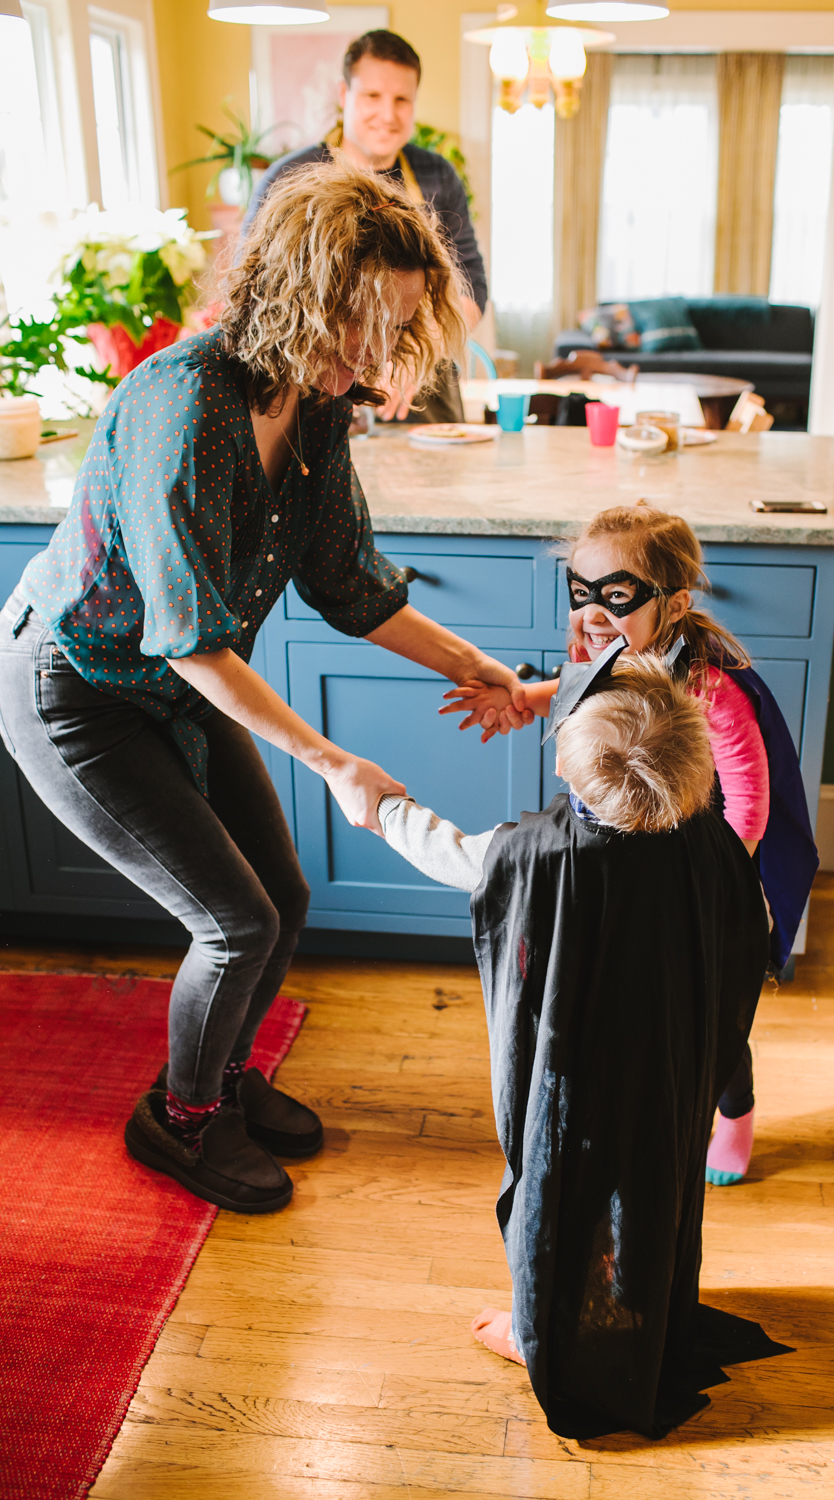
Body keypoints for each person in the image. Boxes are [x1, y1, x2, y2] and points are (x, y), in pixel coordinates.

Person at [0, 159, 528, 1215]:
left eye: (395, 330)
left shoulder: (318, 408)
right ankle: (180, 1119)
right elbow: (191, 639)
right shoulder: (183, 403)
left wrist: (477, 667)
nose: (374, 358)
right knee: (232, 921)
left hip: (173, 683)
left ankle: (223, 1080)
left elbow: (346, 585)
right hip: (80, 694)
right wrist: (332, 762)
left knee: (281, 897)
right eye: (358, 328)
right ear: (298, 293)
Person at [376, 652, 787, 1439]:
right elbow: (750, 933)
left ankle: (542, 1338)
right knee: (649, 1193)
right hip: (669, 1064)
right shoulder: (709, 845)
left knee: (558, 1202)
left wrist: (386, 806)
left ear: (569, 765)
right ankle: (642, 1312)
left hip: (572, 1072)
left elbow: (451, 855)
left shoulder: (536, 850)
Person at [443, 502, 819, 1187]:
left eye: (616, 596)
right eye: (580, 593)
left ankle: (733, 1111)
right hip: (619, 870)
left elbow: (750, 803)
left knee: (710, 1011)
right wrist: (530, 697)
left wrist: (708, 886)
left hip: (699, 880)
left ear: (673, 604)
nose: (591, 613)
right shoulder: (604, 656)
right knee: (632, 997)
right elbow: (590, 688)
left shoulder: (708, 686)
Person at [247, 27, 486, 424]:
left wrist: (413, 354)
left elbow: (472, 286)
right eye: (373, 96)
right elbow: (257, 298)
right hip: (315, 390)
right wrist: (359, 359)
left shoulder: (437, 176)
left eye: (402, 100)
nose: (388, 114)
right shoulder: (289, 177)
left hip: (419, 387)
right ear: (344, 96)